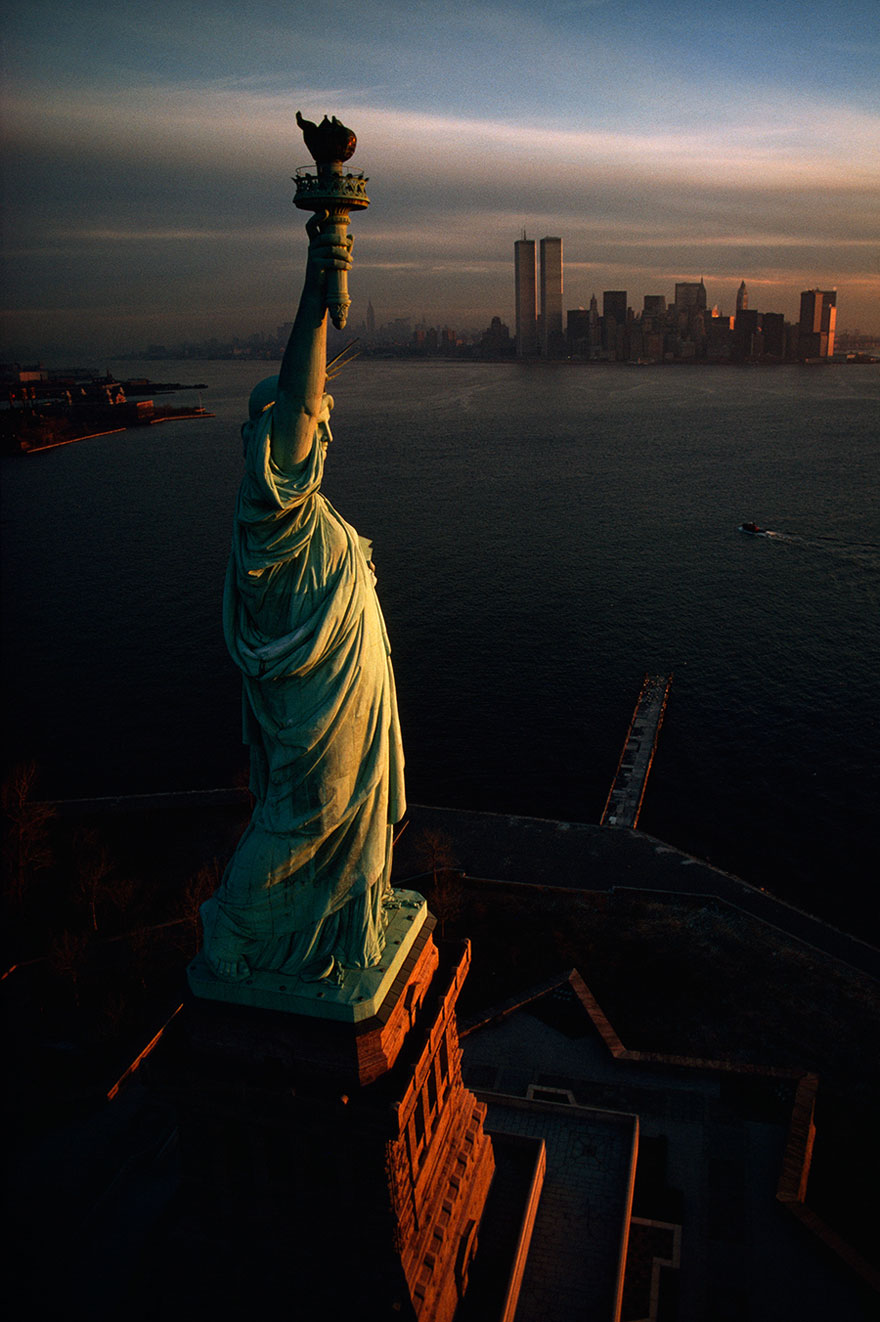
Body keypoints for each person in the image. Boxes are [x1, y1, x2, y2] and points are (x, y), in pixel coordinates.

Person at [200, 213, 405, 983]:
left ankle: (336, 920)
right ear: (273, 443)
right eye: (309, 420)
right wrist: (317, 291)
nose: (321, 427)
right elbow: (296, 391)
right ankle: (237, 934)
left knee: (325, 820)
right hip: (317, 715)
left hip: (340, 704)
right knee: (303, 817)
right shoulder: (273, 514)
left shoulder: (306, 519)